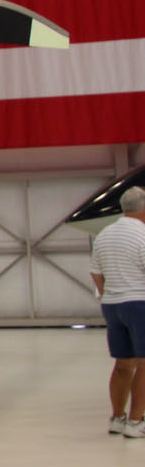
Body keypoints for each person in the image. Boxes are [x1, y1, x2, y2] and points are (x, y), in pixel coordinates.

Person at [91, 186, 145, 436]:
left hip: (112, 306)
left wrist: (108, 295)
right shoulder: (143, 234)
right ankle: (136, 422)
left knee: (123, 364)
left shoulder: (105, 233)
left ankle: (117, 418)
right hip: (139, 304)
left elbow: (96, 272)